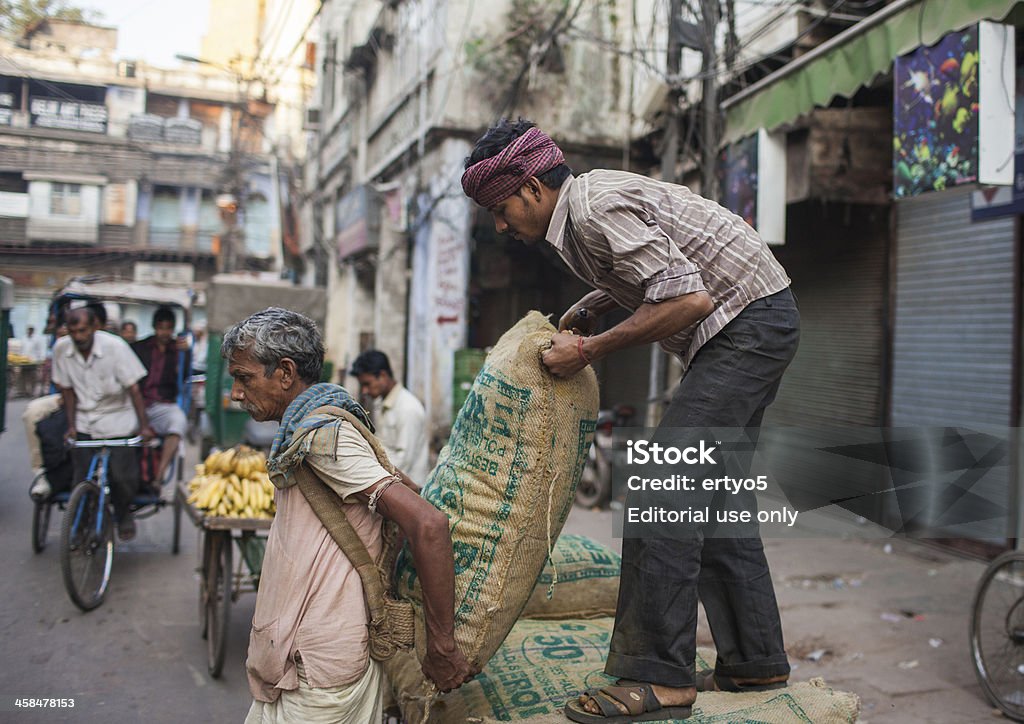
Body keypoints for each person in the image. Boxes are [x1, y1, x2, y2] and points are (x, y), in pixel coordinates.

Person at [462, 119, 800, 722]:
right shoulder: (582, 214)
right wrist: (593, 303)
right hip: (759, 317)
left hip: (745, 323)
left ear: (534, 187)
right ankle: (756, 661)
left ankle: (658, 678)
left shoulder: (591, 210)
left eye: (501, 207)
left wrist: (588, 351)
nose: (500, 225)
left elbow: (687, 300)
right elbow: (659, 268)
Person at [223, 308, 474, 722]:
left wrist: (442, 644)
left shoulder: (324, 437)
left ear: (285, 373)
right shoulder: (305, 432)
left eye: (244, 377)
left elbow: (427, 522)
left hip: (322, 672)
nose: (235, 392)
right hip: (304, 663)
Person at [51, 306, 154, 540]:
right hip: (84, 419)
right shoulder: (62, 349)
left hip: (117, 418)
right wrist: (70, 425)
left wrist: (144, 425)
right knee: (81, 476)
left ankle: (123, 512)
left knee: (121, 476)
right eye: (73, 331)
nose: (78, 337)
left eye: (83, 331)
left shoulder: (115, 347)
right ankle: (81, 520)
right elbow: (67, 391)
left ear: (95, 326)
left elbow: (134, 389)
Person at [349, 349, 430, 485]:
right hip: (391, 483)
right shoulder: (382, 403)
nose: (364, 391)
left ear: (383, 375)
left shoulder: (408, 408)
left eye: (367, 384)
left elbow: (404, 461)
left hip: (409, 490)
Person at [131, 306, 190, 485]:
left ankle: (159, 474)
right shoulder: (139, 347)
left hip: (163, 404)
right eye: (161, 327)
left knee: (178, 422)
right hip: (136, 402)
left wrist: (186, 353)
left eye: (168, 328)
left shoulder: (178, 350)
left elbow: (185, 375)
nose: (164, 332)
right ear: (155, 327)